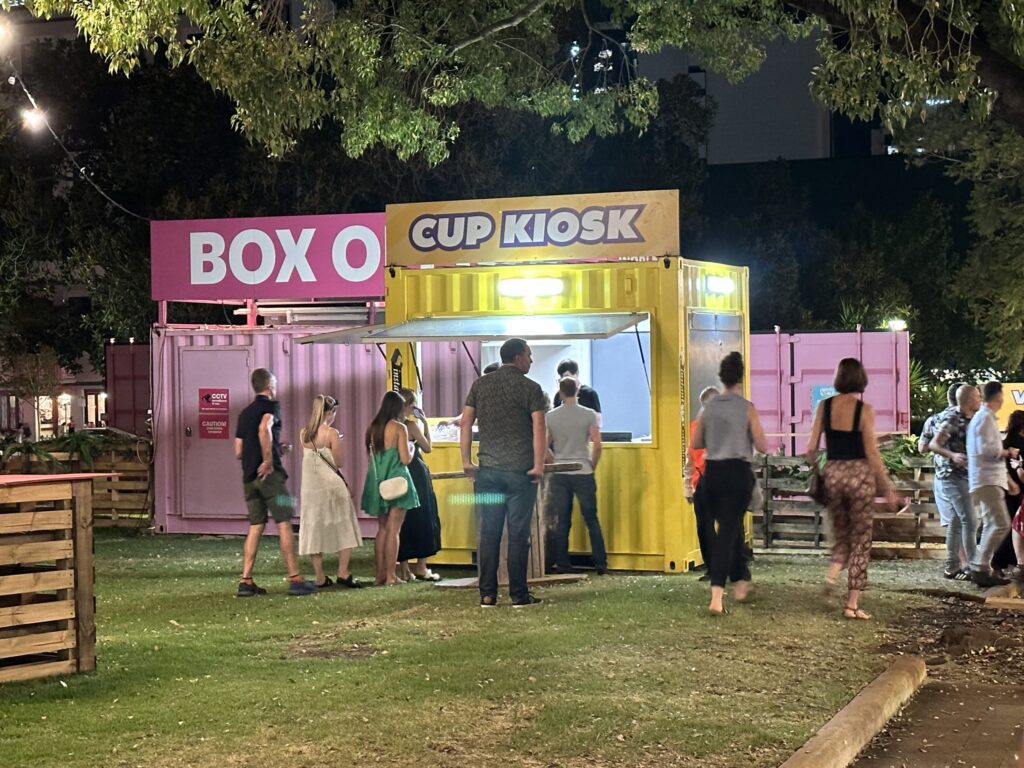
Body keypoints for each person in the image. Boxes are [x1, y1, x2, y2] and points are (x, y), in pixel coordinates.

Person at [806, 358, 898, 620]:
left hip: (833, 474)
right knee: (861, 540)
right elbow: (871, 451)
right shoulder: (864, 410)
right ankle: (852, 605)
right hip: (859, 477)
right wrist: (887, 487)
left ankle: (831, 578)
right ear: (860, 378)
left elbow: (811, 449)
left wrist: (821, 472)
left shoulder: (824, 407)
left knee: (841, 535)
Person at [461, 337, 548, 608]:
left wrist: (466, 460)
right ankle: (519, 594)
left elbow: (465, 423)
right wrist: (538, 464)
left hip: (488, 473)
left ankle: (487, 594)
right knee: (519, 534)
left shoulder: (480, 385)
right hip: (521, 474)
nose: (531, 360)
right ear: (519, 356)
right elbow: (539, 429)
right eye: (530, 355)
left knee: (489, 533)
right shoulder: (531, 388)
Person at [692, 352, 768, 615]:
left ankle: (741, 580)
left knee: (729, 528)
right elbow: (761, 444)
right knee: (728, 531)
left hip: (712, 471)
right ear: (741, 377)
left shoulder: (708, 407)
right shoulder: (747, 407)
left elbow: (696, 442)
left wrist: (717, 437)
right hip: (737, 471)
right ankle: (717, 596)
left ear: (721, 377)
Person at [234, 368, 315, 597]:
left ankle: (246, 580)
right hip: (271, 479)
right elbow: (264, 427)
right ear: (269, 386)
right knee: (284, 521)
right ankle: (295, 578)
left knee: (256, 526)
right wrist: (269, 460)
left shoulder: (244, 413)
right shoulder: (271, 407)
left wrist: (273, 450)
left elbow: (238, 450)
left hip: (249, 478)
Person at [298, 395, 364, 590]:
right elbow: (340, 462)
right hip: (333, 487)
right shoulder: (332, 433)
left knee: (314, 529)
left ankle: (319, 576)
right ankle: (343, 572)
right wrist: (338, 442)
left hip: (310, 489)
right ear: (330, 413)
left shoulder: (303, 433)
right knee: (344, 526)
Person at [544, 376, 606, 574]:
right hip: (583, 470)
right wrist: (591, 465)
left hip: (561, 472)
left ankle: (562, 563)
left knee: (562, 520)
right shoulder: (589, 414)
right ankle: (600, 563)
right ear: (577, 390)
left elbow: (544, 446)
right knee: (591, 518)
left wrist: (555, 461)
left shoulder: (551, 416)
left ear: (560, 392)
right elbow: (597, 445)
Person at [361, 390, 420, 586]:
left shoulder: (372, 429)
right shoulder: (399, 428)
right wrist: (411, 447)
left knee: (382, 529)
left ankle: (379, 574)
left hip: (377, 483)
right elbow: (405, 459)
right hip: (398, 482)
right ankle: (391, 576)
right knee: (394, 530)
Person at [966, 381, 1019, 587]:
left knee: (991, 524)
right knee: (1002, 524)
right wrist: (1008, 452)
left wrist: (1008, 480)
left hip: (987, 479)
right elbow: (987, 451)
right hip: (987, 480)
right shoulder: (985, 418)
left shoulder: (983, 418)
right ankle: (979, 567)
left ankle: (983, 567)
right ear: (998, 397)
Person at [929, 385, 981, 581]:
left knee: (957, 522)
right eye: (977, 397)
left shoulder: (972, 420)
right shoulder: (953, 419)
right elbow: (933, 444)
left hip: (964, 476)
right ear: (968, 400)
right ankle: (976, 567)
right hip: (951, 476)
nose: (980, 400)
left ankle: (952, 566)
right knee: (970, 519)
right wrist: (952, 455)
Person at [397, 388, 442, 582]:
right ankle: (421, 566)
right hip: (416, 474)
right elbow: (427, 448)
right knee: (425, 517)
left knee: (402, 521)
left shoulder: (389, 426)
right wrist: (424, 423)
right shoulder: (410, 426)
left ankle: (404, 567)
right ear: (408, 406)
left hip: (398, 475)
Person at [684, 386, 720, 580]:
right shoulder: (696, 427)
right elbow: (689, 458)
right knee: (705, 527)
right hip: (703, 480)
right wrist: (688, 486)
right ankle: (713, 568)